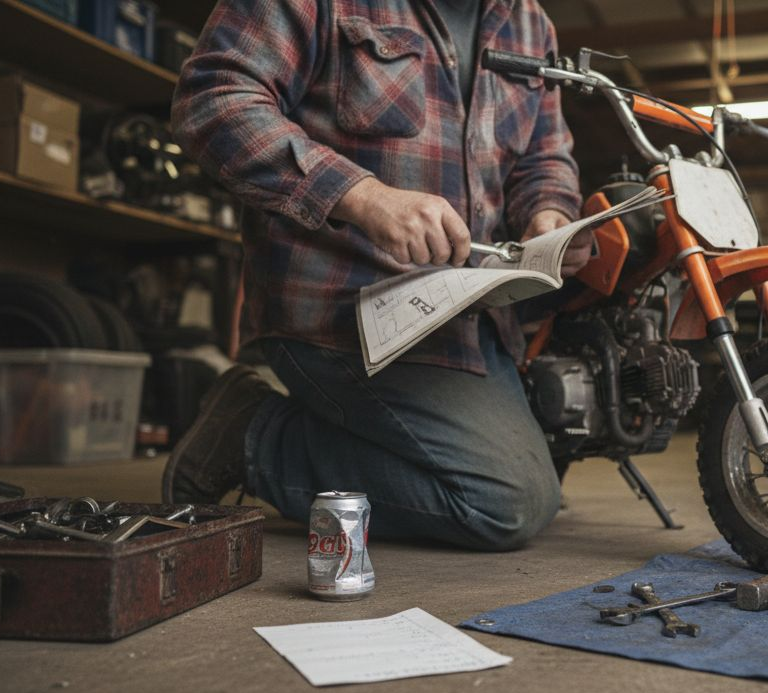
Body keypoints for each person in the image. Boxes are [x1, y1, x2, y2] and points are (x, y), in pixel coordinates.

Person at [163, 0, 588, 551]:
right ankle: (251, 435)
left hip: (468, 318)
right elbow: (213, 100)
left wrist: (547, 211)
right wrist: (363, 197)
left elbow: (544, 156)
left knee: (541, 466)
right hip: (340, 313)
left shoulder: (529, 21)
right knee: (507, 502)